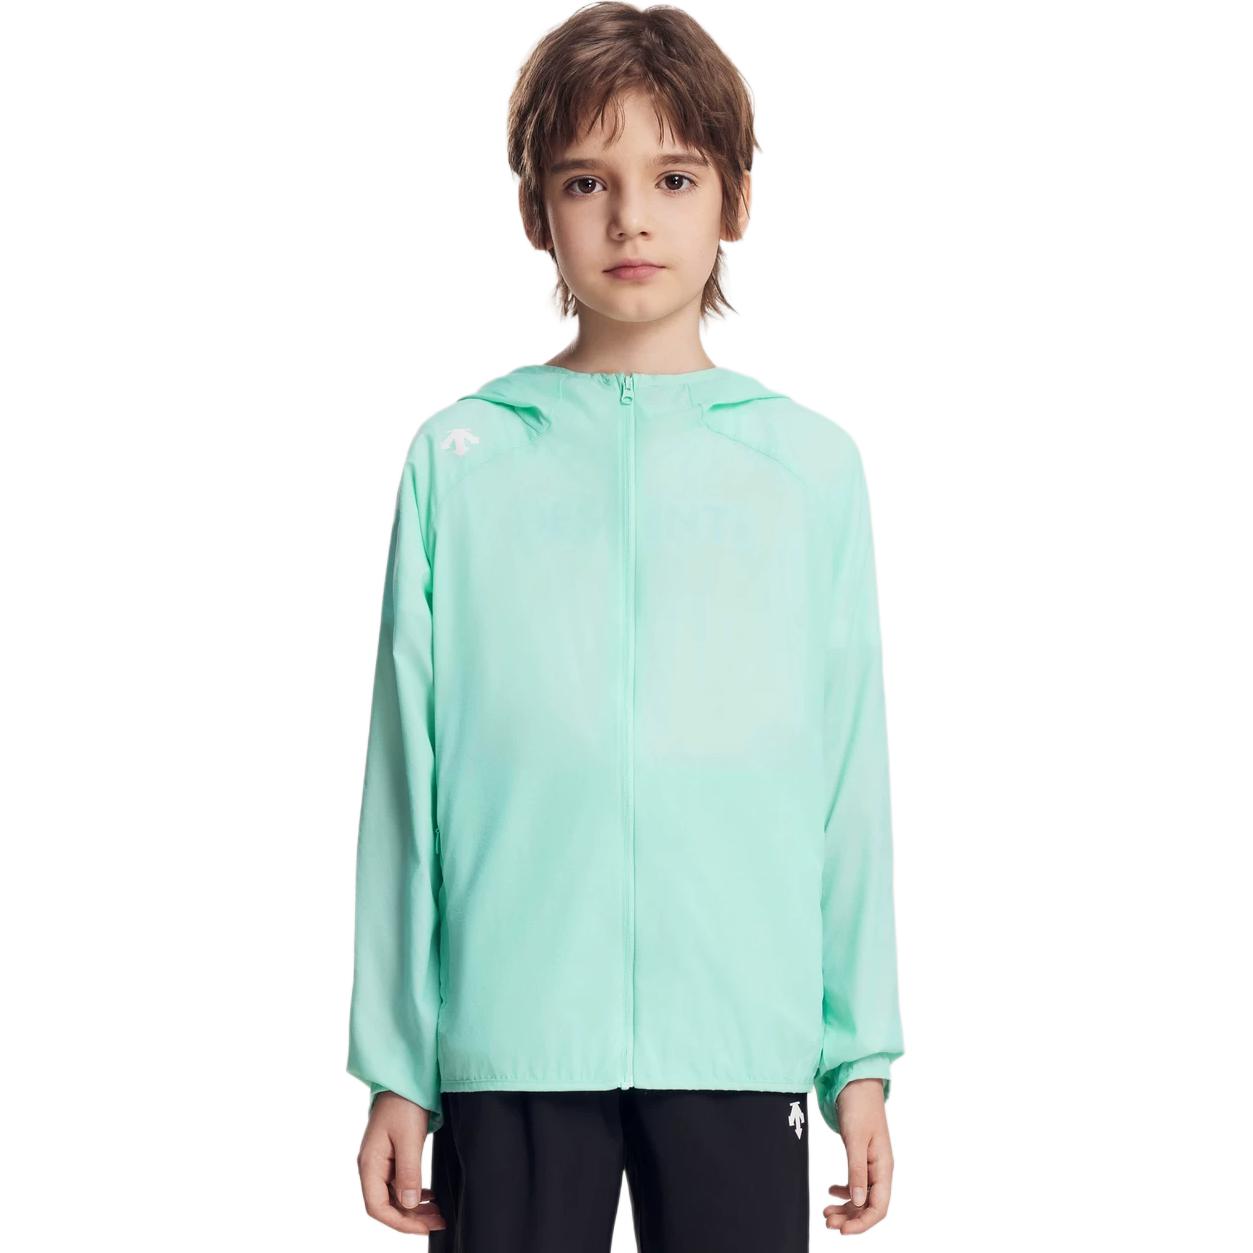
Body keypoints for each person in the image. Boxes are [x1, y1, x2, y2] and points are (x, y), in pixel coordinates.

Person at [346, 4, 905, 1247]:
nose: (631, 219)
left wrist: (856, 1052)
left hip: (738, 1032)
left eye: (673, 177)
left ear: (734, 199)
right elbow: (403, 785)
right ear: (535, 210)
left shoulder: (808, 468)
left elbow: (845, 778)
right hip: (509, 1032)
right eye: (586, 180)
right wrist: (396, 1062)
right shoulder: (460, 458)